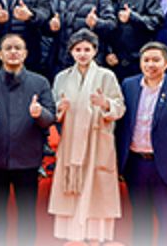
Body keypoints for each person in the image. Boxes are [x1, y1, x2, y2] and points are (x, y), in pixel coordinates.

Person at [0, 34, 56, 246]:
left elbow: (50, 118)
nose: (13, 52)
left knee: (27, 217)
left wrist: (39, 113)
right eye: (8, 48)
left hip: (28, 160)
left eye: (18, 48)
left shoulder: (40, 82)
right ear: (0, 54)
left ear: (25, 53)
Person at [117, 41, 167, 246]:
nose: (150, 64)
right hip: (136, 164)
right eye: (146, 60)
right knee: (140, 222)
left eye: (156, 60)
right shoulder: (128, 85)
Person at [48, 29, 125, 242]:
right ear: (71, 51)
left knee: (96, 189)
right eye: (78, 49)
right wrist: (60, 108)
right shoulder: (62, 77)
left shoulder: (106, 76)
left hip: (97, 139)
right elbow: (53, 110)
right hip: (71, 140)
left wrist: (105, 104)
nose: (82, 54)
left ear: (95, 51)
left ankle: (96, 237)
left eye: (87, 49)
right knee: (71, 190)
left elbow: (120, 108)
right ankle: (72, 237)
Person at [47, 0, 116, 76]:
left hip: (89, 61)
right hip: (60, 61)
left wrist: (97, 23)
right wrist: (50, 26)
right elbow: (44, 27)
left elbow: (111, 24)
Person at [106, 0, 163, 80]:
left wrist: (133, 17)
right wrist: (107, 52)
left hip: (137, 60)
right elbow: (101, 29)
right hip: (110, 60)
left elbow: (156, 22)